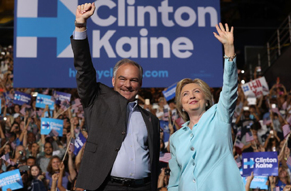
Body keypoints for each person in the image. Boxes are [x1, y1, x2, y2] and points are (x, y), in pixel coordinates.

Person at [71, 2, 160, 191]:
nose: (128, 84)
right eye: (123, 79)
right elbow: (84, 68)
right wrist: (80, 25)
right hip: (106, 187)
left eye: (134, 80)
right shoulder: (97, 101)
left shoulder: (150, 119)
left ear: (140, 84)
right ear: (113, 81)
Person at [167, 23, 244, 191]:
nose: (192, 96)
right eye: (185, 94)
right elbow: (175, 179)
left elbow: (230, 89)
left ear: (207, 99)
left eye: (196, 91)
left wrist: (229, 50)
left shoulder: (219, 116)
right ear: (181, 104)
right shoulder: (175, 138)